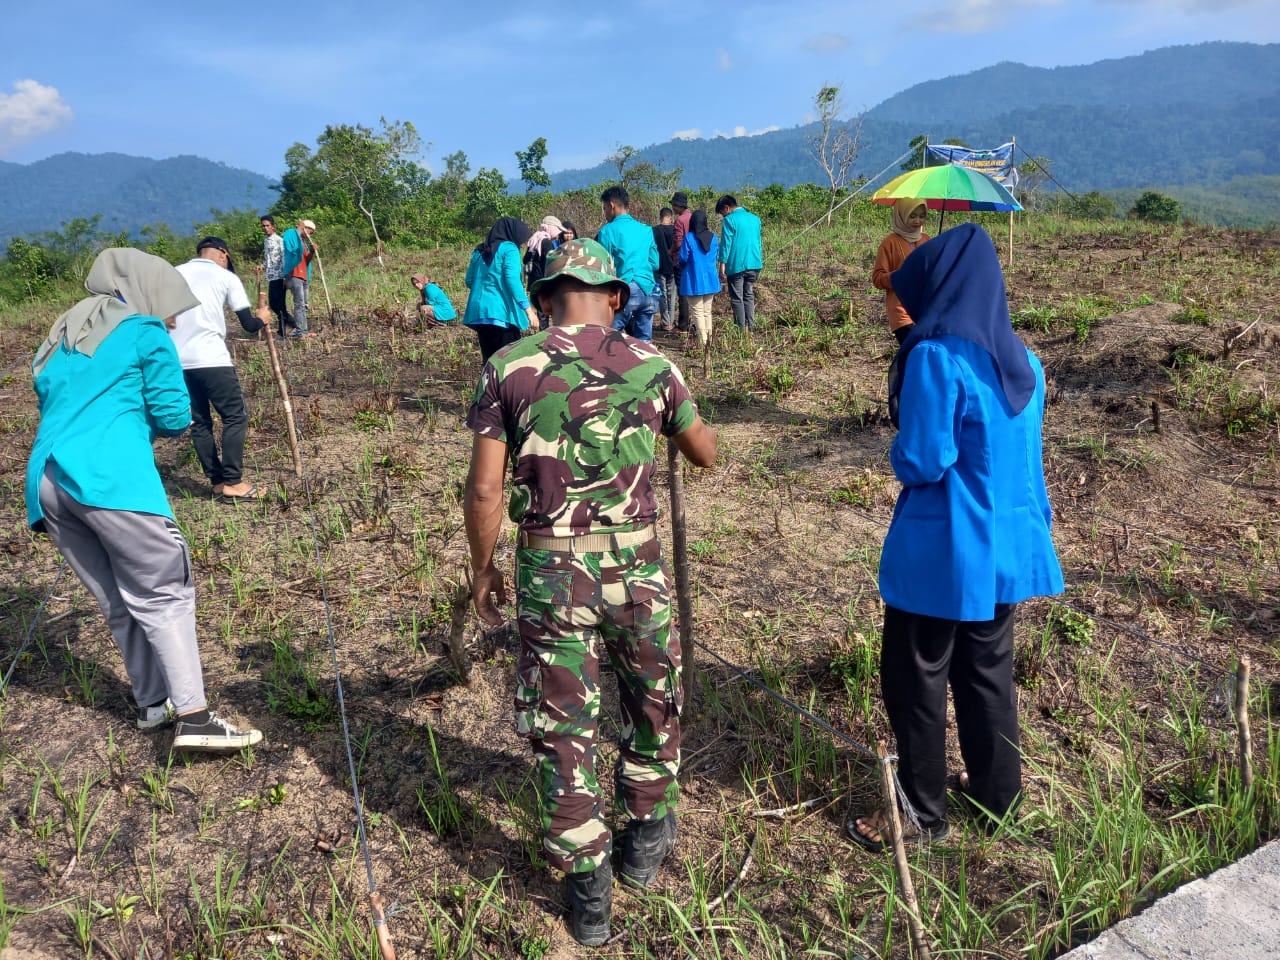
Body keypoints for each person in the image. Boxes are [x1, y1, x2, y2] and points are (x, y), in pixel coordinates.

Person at [463, 239, 717, 945]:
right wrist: (667, 416)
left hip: (551, 568)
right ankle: (643, 838)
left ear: (543, 300)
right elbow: (706, 453)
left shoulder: (507, 367)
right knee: (651, 697)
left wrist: (483, 572)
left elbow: (485, 488)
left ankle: (589, 896)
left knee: (563, 725)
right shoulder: (652, 363)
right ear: (614, 298)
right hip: (636, 565)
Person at [847, 223, 1064, 852]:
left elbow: (922, 460)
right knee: (987, 672)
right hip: (1007, 548)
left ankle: (919, 814)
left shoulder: (936, 357)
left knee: (916, 675)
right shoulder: (1025, 359)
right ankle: (998, 797)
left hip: (945, 551)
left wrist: (897, 432)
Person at [25, 247, 265, 753]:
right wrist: (136, 424)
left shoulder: (62, 333)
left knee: (117, 600)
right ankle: (196, 718)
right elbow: (176, 415)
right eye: (171, 307)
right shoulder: (143, 330)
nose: (174, 319)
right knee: (165, 594)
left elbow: (53, 397)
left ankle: (152, 704)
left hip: (47, 484)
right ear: (149, 293)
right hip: (112, 480)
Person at [171, 237, 270, 502]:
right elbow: (249, 324)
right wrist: (263, 318)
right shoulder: (225, 276)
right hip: (212, 359)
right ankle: (234, 482)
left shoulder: (174, 273)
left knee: (199, 422)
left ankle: (216, 482)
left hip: (177, 361)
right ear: (223, 254)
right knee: (235, 417)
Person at [462, 217, 539, 363]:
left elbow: (469, 280)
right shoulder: (509, 248)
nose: (522, 244)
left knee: (489, 362)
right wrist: (529, 311)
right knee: (508, 363)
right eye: (521, 240)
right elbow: (512, 280)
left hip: (480, 315)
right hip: (501, 315)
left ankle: (488, 386)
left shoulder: (479, 250)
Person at [596, 185, 660, 342]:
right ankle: (645, 365)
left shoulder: (607, 231)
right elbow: (655, 263)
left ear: (611, 205)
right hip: (649, 290)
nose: (605, 213)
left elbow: (605, 268)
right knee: (644, 342)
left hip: (625, 289)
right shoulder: (646, 229)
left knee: (607, 337)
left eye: (604, 209)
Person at [874, 198, 931, 345]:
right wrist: (900, 276)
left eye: (922, 216)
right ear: (901, 215)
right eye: (912, 216)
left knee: (922, 357)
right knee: (913, 352)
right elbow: (878, 279)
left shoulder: (926, 240)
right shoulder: (889, 243)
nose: (918, 221)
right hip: (902, 312)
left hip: (926, 310)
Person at [715, 195, 763, 332]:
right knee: (748, 295)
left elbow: (726, 244)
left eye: (722, 214)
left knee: (737, 298)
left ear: (727, 208)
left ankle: (740, 331)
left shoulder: (730, 220)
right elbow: (758, 242)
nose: (723, 217)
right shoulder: (755, 219)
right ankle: (751, 327)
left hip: (737, 265)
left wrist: (722, 265)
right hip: (754, 264)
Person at [676, 209, 721, 346]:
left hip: (693, 279)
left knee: (698, 312)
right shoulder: (713, 237)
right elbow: (716, 256)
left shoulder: (689, 238)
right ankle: (709, 341)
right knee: (707, 312)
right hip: (711, 280)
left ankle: (703, 343)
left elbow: (682, 258)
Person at [255, 215, 293, 336]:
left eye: (267, 226)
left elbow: (284, 259)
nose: (265, 228)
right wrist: (262, 266)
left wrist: (286, 277)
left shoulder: (279, 241)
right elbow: (269, 260)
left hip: (280, 277)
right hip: (271, 276)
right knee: (273, 304)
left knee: (280, 305)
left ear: (273, 227)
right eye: (263, 226)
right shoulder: (266, 241)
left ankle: (284, 329)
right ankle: (291, 323)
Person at [281, 218, 317, 339]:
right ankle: (301, 331)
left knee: (304, 304)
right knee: (299, 303)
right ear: (302, 227)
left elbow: (306, 260)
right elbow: (291, 249)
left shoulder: (304, 243)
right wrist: (298, 229)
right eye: (308, 230)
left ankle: (302, 330)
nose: (309, 234)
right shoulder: (290, 233)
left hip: (303, 275)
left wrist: (312, 251)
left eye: (311, 233)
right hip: (294, 274)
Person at [524, 214, 566, 295]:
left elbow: (525, 259)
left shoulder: (534, 239)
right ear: (552, 228)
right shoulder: (546, 242)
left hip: (532, 282)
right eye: (558, 230)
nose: (558, 234)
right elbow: (551, 264)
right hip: (542, 283)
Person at [669, 191, 693, 332]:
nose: (672, 208)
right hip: (693, 260)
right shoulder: (692, 217)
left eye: (673, 205)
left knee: (682, 293)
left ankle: (683, 325)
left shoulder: (680, 221)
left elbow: (678, 243)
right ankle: (691, 324)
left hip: (681, 260)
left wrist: (670, 251)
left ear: (678, 206)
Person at [653, 208, 677, 332]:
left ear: (660, 216)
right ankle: (671, 322)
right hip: (673, 267)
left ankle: (665, 322)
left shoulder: (654, 231)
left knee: (662, 295)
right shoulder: (675, 230)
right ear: (670, 217)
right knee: (671, 295)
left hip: (659, 267)